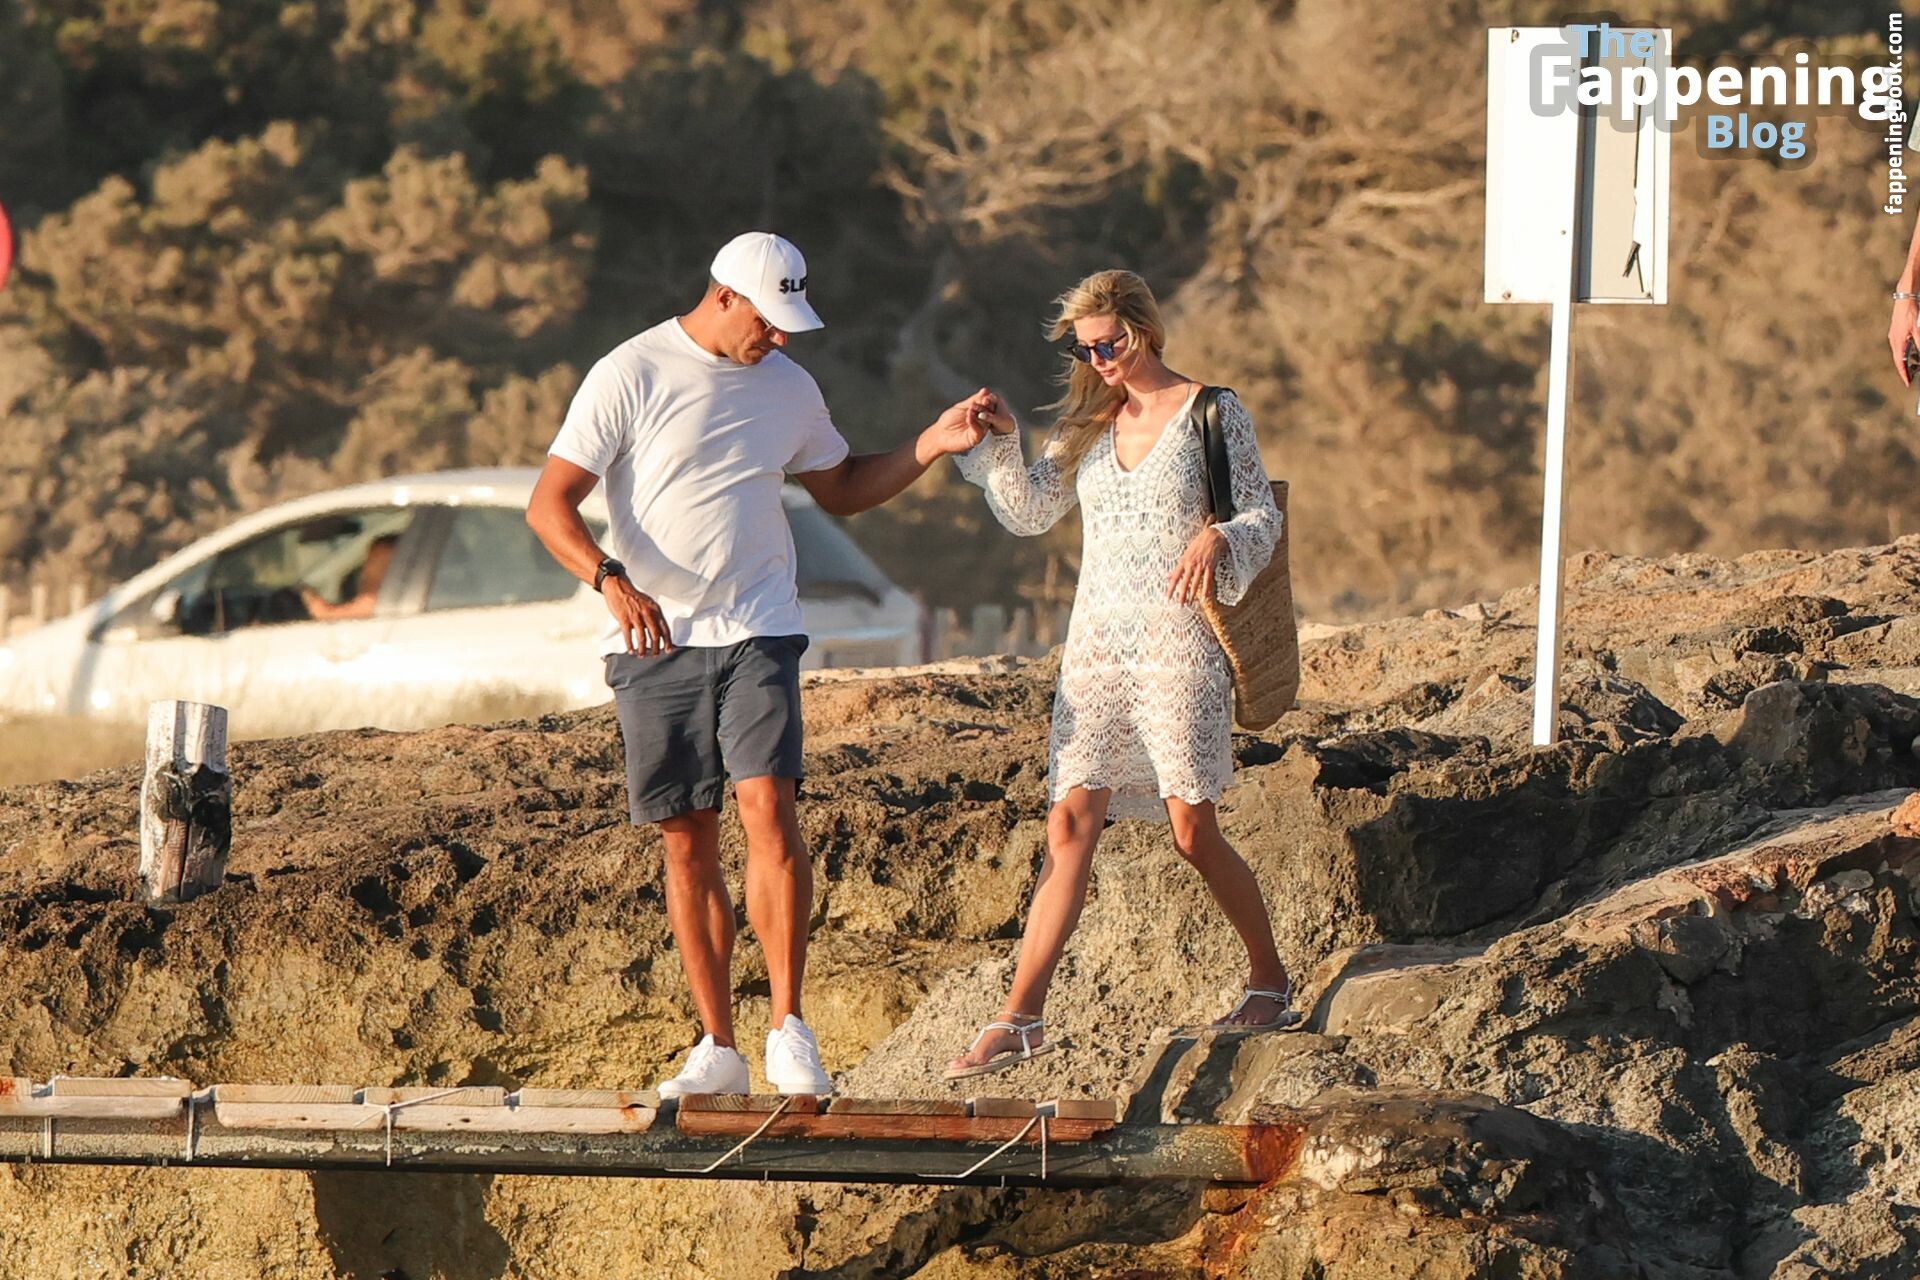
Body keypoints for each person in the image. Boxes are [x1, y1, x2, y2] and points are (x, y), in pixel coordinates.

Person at [526, 232, 989, 1097]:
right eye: (767, 322)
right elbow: (549, 504)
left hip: (760, 626)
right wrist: (609, 579)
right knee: (687, 838)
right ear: (724, 296)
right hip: (656, 640)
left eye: (787, 326)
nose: (777, 339)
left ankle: (788, 1029)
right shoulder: (629, 372)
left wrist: (930, 444)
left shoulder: (790, 387)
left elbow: (842, 488)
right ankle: (718, 1048)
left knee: (769, 808)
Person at [943, 269, 1295, 1080]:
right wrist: (1002, 442)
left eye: (1109, 343)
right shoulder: (1087, 423)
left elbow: (1262, 516)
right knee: (1069, 824)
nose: (1098, 359)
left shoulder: (1213, 409)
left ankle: (1270, 981)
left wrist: (1221, 537)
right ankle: (1020, 1019)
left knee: (1192, 831)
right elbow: (1030, 512)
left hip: (1180, 644)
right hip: (1097, 647)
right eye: (1084, 348)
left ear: (1144, 330)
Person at [300, 534, 398, 621]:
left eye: (375, 562)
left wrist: (306, 594)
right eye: (369, 561)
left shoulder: (378, 601)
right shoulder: (390, 601)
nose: (366, 569)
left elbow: (326, 615)